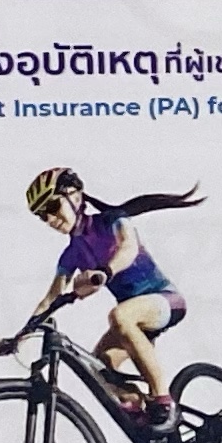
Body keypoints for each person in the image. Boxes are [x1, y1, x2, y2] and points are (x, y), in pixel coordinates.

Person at [19, 167, 203, 417]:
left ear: (75, 197)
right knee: (98, 368)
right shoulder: (72, 253)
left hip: (165, 300)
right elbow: (50, 298)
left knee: (120, 315)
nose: (50, 219)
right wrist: (21, 335)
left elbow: (128, 248)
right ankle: (139, 409)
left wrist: (106, 270)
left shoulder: (111, 220)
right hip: (131, 316)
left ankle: (162, 397)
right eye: (43, 216)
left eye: (52, 207)